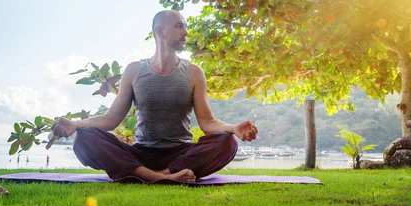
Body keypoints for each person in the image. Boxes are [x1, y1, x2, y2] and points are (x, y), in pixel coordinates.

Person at [49, 10, 258, 183]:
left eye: (184, 26)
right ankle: (154, 176)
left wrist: (233, 129)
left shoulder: (194, 72)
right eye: (179, 26)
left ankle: (163, 174)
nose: (186, 32)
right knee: (85, 139)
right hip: (142, 153)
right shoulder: (134, 71)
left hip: (181, 153)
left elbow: (208, 122)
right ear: (160, 31)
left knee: (227, 142)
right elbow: (111, 119)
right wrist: (76, 124)